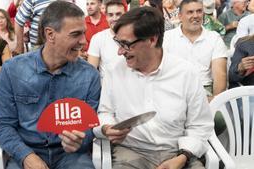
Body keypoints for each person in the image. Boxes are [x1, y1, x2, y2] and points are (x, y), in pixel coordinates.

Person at [93, 6, 213, 169]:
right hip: (130, 153)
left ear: (152, 40)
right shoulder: (115, 72)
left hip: (177, 152)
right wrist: (107, 128)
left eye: (126, 44)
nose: (120, 51)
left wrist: (182, 157)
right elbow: (105, 112)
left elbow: (199, 125)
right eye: (118, 43)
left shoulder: (186, 73)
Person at [0, 1, 101, 169]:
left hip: (71, 156)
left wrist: (80, 140)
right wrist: (26, 156)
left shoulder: (90, 76)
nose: (83, 42)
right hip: (26, 151)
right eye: (75, 34)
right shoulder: (12, 70)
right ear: (50, 34)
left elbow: (91, 127)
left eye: (84, 34)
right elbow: (4, 125)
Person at [163, 0, 227, 102]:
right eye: (190, 12)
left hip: (204, 90)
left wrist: (215, 102)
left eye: (199, 11)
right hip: (174, 90)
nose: (196, 15)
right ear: (180, 16)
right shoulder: (167, 38)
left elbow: (220, 76)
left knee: (219, 117)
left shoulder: (214, 38)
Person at [87, 0, 126, 79]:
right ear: (106, 17)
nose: (114, 18)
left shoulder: (135, 37)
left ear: (125, 15)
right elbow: (91, 72)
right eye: (110, 15)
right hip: (107, 89)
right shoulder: (97, 38)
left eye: (118, 14)